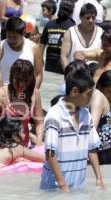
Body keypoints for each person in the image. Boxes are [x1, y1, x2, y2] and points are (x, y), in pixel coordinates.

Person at [40, 61, 104, 191]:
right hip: (54, 188)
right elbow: (50, 153)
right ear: (74, 92)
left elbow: (91, 148)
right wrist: (62, 185)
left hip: (78, 185)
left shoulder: (86, 114)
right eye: (88, 95)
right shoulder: (54, 115)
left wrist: (99, 179)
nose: (91, 99)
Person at [0, 59, 44, 146]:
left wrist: (38, 143)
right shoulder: (0, 94)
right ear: (11, 77)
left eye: (25, 81)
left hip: (25, 147)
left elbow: (40, 123)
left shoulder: (35, 94)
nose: (21, 84)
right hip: (3, 145)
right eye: (18, 80)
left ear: (30, 79)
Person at [0, 17, 43, 89]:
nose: (11, 40)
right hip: (3, 91)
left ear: (24, 33)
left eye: (15, 37)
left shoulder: (34, 48)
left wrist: (33, 93)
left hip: (27, 92)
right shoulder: (0, 47)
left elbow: (38, 74)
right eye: (9, 36)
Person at [61, 3, 103, 70]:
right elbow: (64, 56)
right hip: (75, 75)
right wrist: (68, 73)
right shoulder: (70, 32)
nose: (91, 20)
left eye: (93, 17)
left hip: (95, 75)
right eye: (88, 18)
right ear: (80, 17)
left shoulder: (101, 32)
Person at [40, 0, 75, 74]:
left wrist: (40, 59)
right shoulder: (72, 26)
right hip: (65, 66)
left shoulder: (49, 24)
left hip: (49, 64)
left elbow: (42, 45)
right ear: (72, 11)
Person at [90, 70, 111, 164]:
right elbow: (92, 127)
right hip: (103, 151)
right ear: (99, 86)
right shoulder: (98, 96)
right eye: (109, 91)